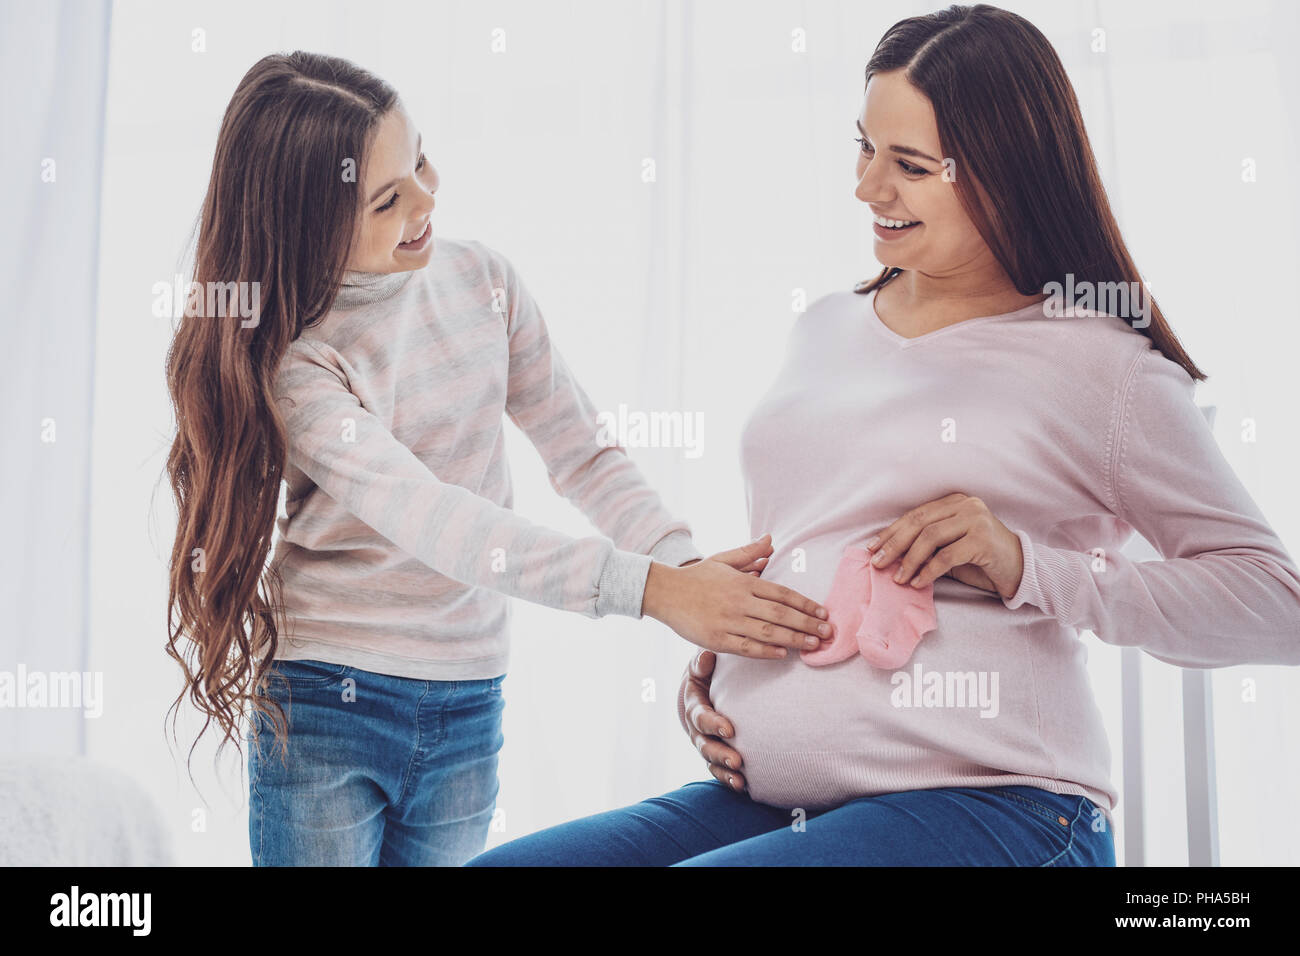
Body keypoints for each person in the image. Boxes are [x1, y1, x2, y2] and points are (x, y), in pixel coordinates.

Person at [465, 3, 1300, 867]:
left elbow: (1277, 607)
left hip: (999, 805)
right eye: (863, 148)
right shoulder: (825, 327)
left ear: (1007, 173)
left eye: (908, 164)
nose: (867, 188)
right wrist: (728, 676)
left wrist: (1027, 567)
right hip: (774, 803)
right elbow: (817, 545)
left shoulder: (1101, 364)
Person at [162, 51, 834, 866]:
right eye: (388, 198)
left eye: (419, 159)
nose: (427, 196)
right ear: (309, 223)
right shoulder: (300, 365)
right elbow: (440, 522)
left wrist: (689, 572)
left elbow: (583, 453)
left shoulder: (483, 282)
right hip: (329, 705)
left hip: (468, 701)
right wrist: (655, 593)